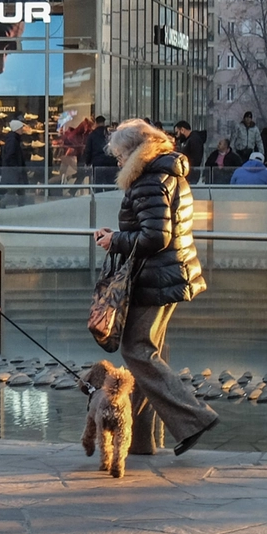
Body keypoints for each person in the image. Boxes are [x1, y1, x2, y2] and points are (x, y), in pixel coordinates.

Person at [94, 119, 217, 456]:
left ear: (134, 151)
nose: (118, 161)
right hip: (168, 274)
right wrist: (117, 236)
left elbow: (156, 237)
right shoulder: (166, 172)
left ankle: (195, 419)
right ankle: (140, 441)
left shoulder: (149, 179)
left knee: (137, 351)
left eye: (120, 154)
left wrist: (115, 240)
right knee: (147, 356)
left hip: (156, 277)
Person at [83, 115, 117, 185]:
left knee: (98, 184)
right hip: (110, 162)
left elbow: (88, 150)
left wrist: (87, 162)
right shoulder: (109, 133)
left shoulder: (92, 135)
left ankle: (98, 195)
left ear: (96, 123)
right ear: (104, 123)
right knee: (110, 184)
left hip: (97, 163)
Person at [0, 119, 28, 204]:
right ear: (17, 129)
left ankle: (20, 208)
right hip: (13, 172)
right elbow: (10, 156)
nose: (22, 130)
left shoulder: (13, 139)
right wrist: (16, 167)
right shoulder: (13, 140)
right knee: (13, 192)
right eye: (21, 128)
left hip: (14, 171)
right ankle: (0, 205)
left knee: (19, 191)